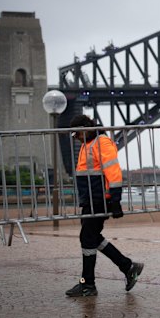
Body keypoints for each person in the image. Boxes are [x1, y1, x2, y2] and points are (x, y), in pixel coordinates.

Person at [65, 115, 144, 297]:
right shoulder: (87, 144)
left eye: (76, 133)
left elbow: (114, 172)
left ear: (85, 128)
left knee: (87, 238)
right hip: (91, 200)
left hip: (100, 200)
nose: (75, 137)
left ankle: (88, 284)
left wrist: (115, 200)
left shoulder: (102, 142)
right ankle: (127, 266)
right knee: (92, 237)